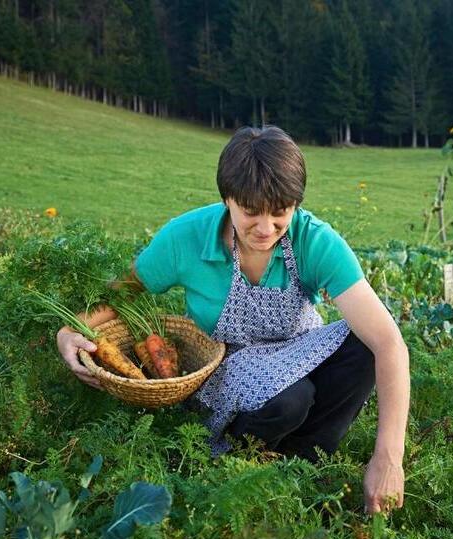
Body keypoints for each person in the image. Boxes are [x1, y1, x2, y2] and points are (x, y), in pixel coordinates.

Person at [57, 125, 410, 515]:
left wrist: (389, 458)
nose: (265, 228)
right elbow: (120, 293)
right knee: (291, 400)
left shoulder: (315, 241)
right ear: (228, 199)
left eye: (280, 213)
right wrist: (68, 331)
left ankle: (306, 465)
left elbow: (389, 343)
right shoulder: (186, 238)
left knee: (364, 343)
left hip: (298, 351)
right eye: (250, 212)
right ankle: (237, 467)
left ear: (296, 203)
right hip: (226, 369)